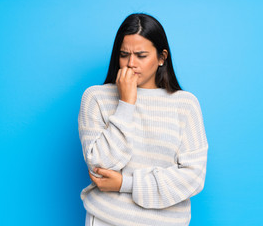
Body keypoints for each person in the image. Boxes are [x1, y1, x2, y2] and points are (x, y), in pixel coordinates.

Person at [78, 13, 208, 226]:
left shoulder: (185, 104)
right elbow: (100, 167)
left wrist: (125, 184)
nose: (130, 64)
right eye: (123, 54)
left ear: (161, 57)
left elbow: (192, 178)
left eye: (141, 55)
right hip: (106, 219)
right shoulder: (96, 98)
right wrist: (126, 104)